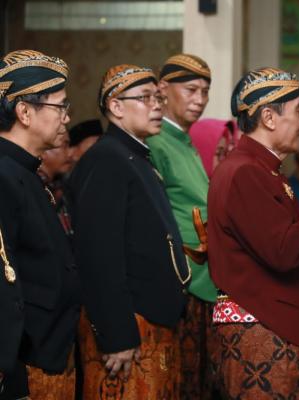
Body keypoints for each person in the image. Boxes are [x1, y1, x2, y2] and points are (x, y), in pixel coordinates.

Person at [69, 64, 190, 399]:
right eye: (145, 98)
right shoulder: (107, 159)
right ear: (116, 107)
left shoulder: (133, 156)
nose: (156, 106)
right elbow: (99, 255)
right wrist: (117, 335)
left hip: (151, 324)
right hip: (130, 329)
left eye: (158, 98)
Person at [208, 67, 299, 399]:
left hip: (274, 330)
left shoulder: (263, 170)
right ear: (269, 117)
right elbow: (285, 250)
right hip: (265, 335)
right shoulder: (245, 172)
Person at [0, 50, 81, 399]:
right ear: (24, 112)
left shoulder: (26, 173)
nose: (66, 118)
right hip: (23, 359)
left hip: (46, 353)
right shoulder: (4, 175)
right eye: (60, 107)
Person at [145, 53, 217, 399]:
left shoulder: (183, 142)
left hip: (203, 282)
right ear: (163, 89)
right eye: (190, 90)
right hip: (183, 285)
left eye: (204, 91)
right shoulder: (157, 142)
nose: (199, 100)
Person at [39, 131, 75, 236]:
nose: (70, 153)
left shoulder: (59, 187)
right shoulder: (34, 188)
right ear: (43, 150)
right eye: (64, 146)